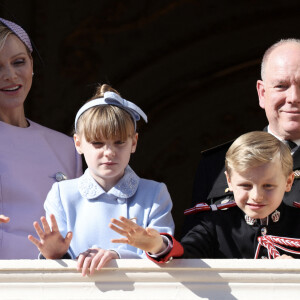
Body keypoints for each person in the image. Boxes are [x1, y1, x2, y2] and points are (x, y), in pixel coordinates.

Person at [28, 84, 175, 276]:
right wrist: (53, 254)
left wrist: (145, 247)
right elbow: (56, 267)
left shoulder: (155, 193)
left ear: (134, 142)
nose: (109, 152)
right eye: (97, 143)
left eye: (119, 142)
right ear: (78, 143)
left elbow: (166, 255)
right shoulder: (62, 194)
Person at [109, 131, 300, 260]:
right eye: (246, 185)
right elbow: (185, 255)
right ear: (229, 182)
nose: (257, 196)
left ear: (289, 182)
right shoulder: (215, 225)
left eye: (268, 186)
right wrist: (158, 245)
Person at [183, 38, 300, 234]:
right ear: (262, 93)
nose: (294, 97)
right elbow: (194, 250)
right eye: (281, 86)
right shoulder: (217, 164)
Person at [0, 18, 82, 259]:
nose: (10, 75)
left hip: (57, 283)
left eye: (18, 62)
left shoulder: (67, 147)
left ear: (32, 64)